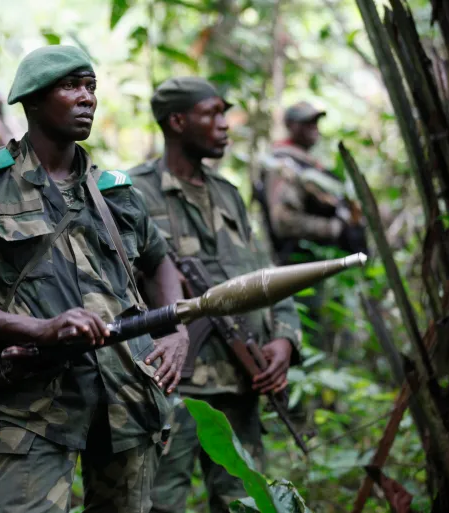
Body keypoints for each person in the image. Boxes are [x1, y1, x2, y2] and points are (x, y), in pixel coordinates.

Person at [0, 45, 189, 513]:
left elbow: (160, 261)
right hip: (35, 406)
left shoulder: (116, 193)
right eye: (71, 86)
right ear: (32, 101)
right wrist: (40, 329)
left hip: (127, 398)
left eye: (91, 87)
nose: (87, 97)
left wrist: (176, 330)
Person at [128, 77, 302, 512]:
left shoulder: (228, 195)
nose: (224, 125)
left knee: (244, 503)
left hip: (239, 386)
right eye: (212, 114)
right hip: (167, 389)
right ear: (178, 121)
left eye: (224, 114)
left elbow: (267, 275)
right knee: (159, 505)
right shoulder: (131, 192)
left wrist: (284, 339)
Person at [257, 101, 367, 348]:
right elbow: (284, 221)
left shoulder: (306, 164)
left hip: (319, 266)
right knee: (306, 338)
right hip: (298, 268)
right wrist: (336, 230)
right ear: (290, 126)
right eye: (306, 123)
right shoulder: (284, 165)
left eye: (315, 122)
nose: (314, 128)